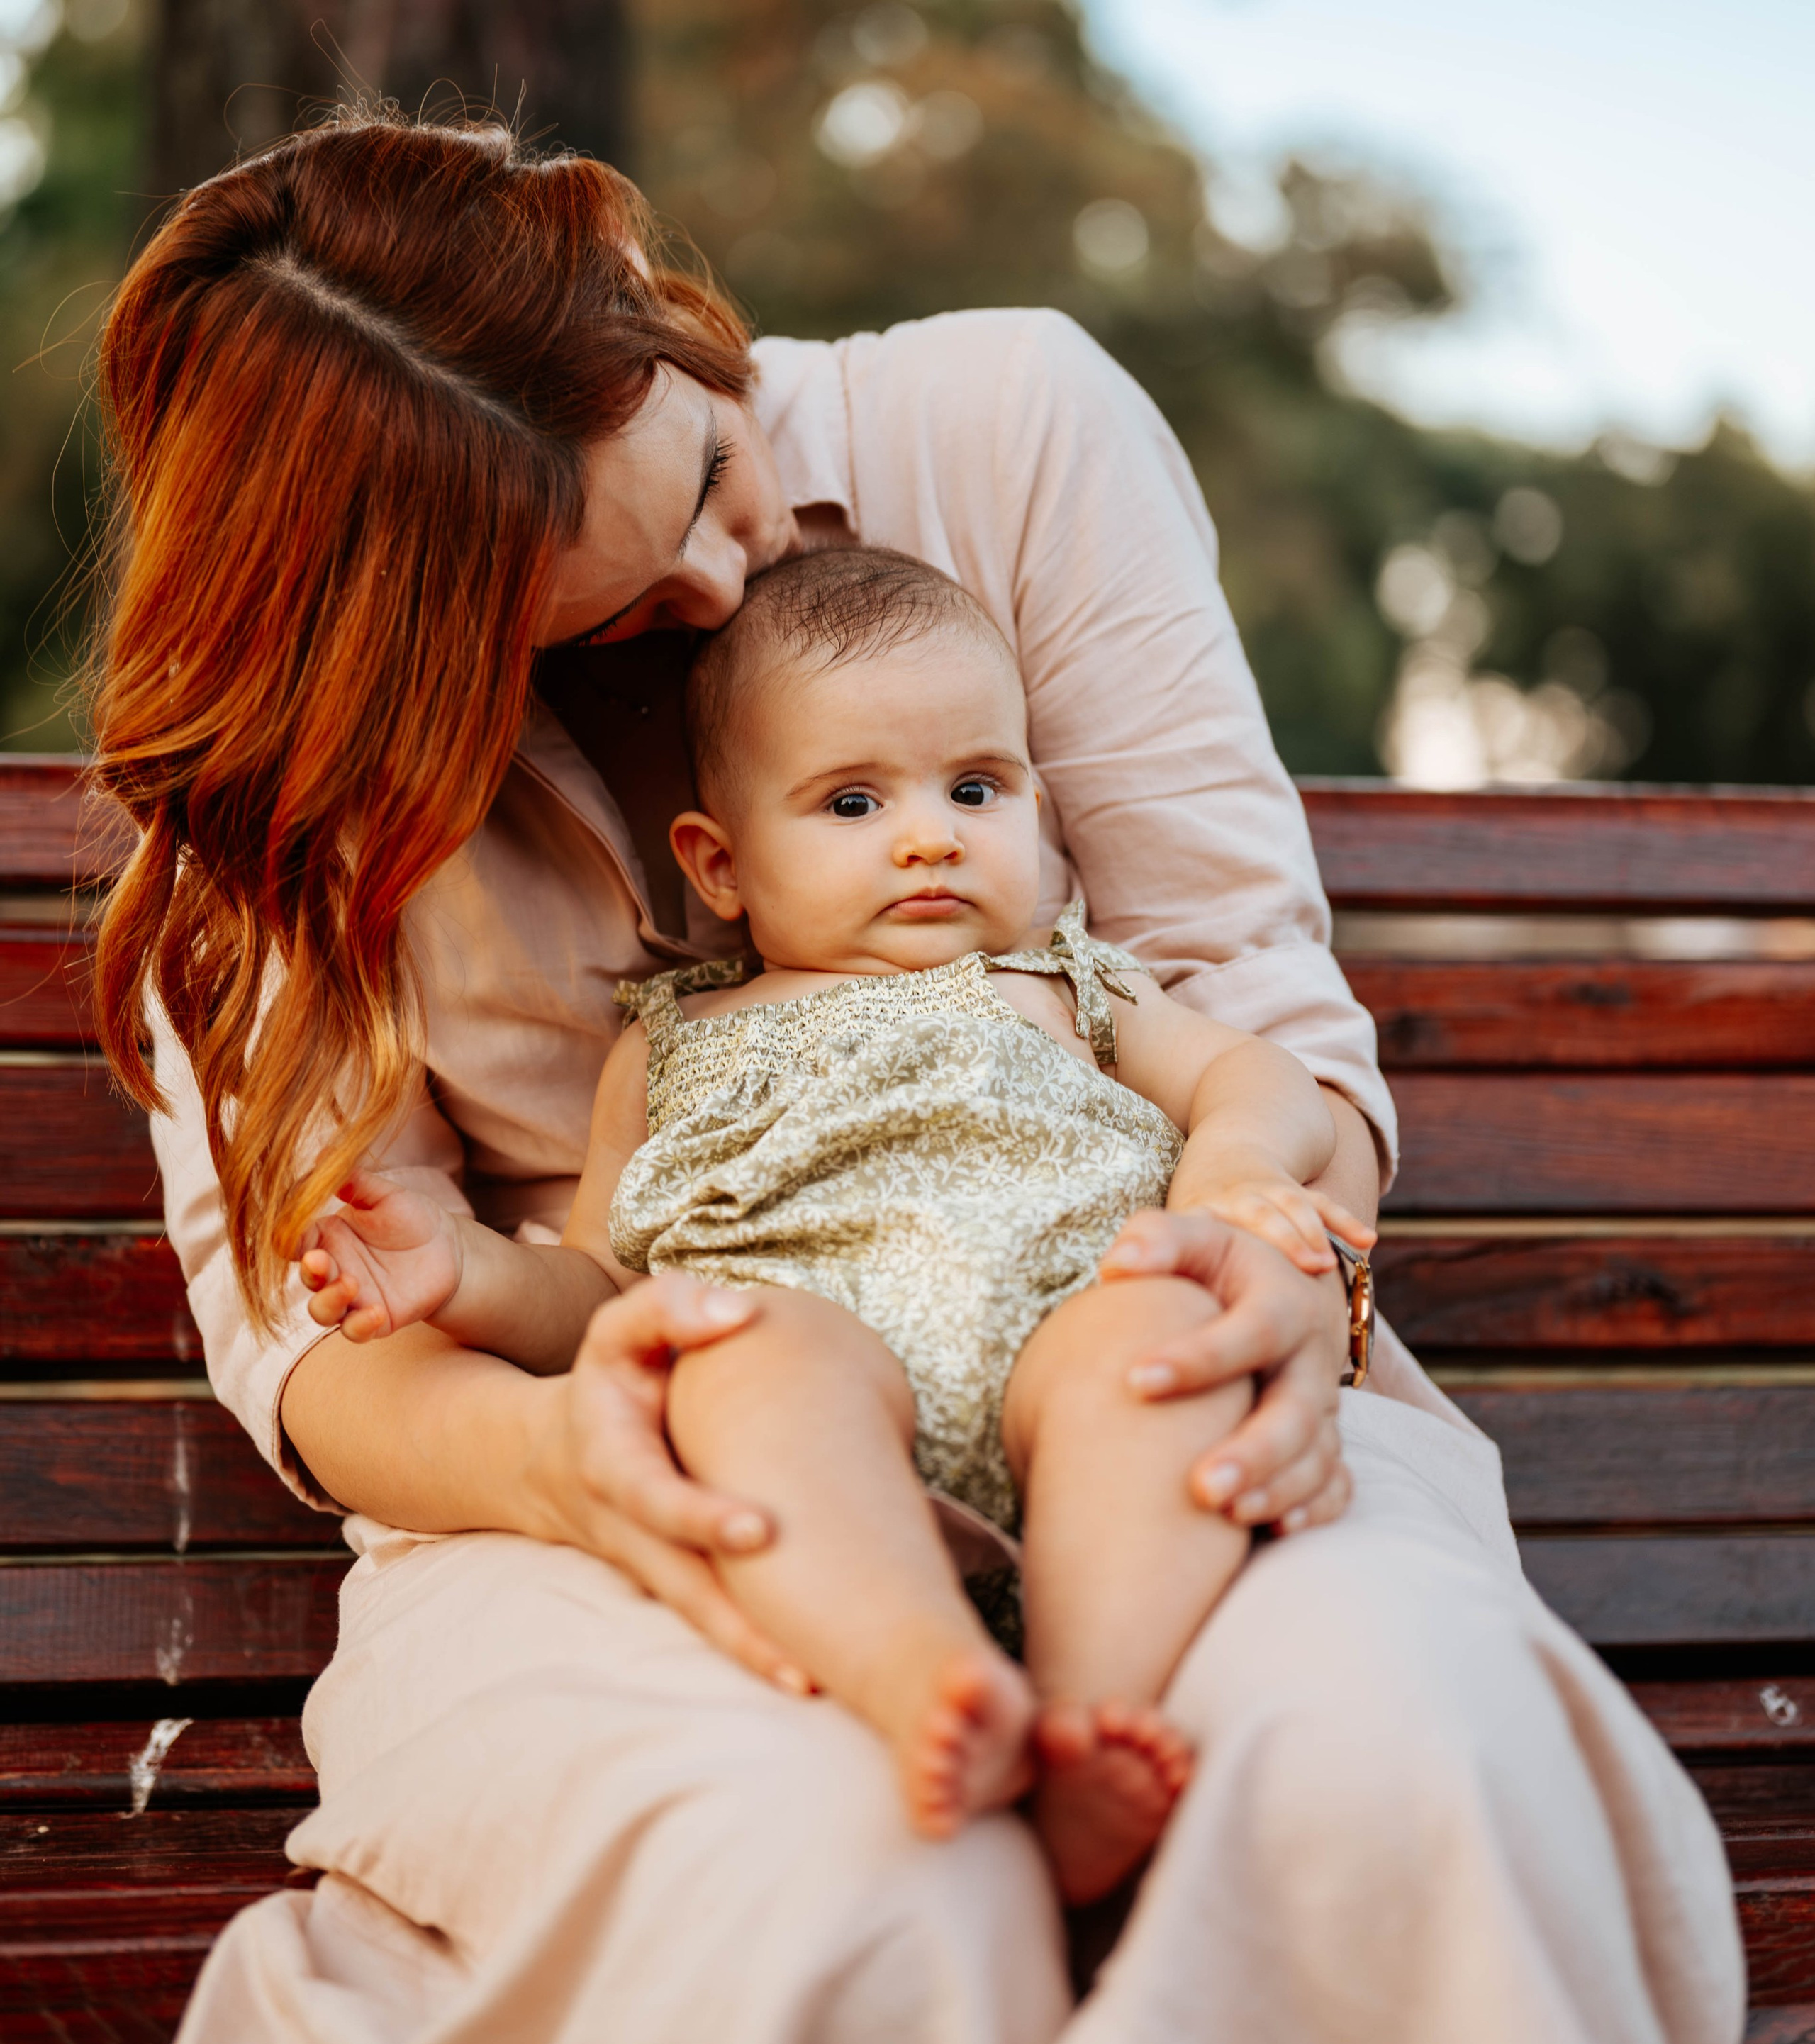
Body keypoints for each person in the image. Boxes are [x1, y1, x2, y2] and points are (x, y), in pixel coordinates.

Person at [94, 111, 1740, 2044]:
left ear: (653, 314)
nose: (719, 583)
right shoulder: (265, 792)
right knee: (845, 1872)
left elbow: (1253, 1011)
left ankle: (1125, 1734)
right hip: (661, 1433)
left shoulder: (1014, 425)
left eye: (697, 478)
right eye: (575, 627)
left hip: (1133, 1325)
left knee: (1381, 1753)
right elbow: (327, 1359)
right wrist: (568, 1447)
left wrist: (1279, 1255)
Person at [294, 544, 1378, 1899]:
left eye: (977, 789)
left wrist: (1231, 1165)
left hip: (1071, 1344)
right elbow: (604, 1291)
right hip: (821, 1384)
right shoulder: (673, 1044)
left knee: (1156, 1344)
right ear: (723, 863)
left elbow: (1258, 1074)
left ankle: (1088, 1718)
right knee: (735, 1362)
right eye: (854, 801)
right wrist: (465, 1274)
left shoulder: (1068, 983)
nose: (930, 836)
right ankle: (923, 1680)